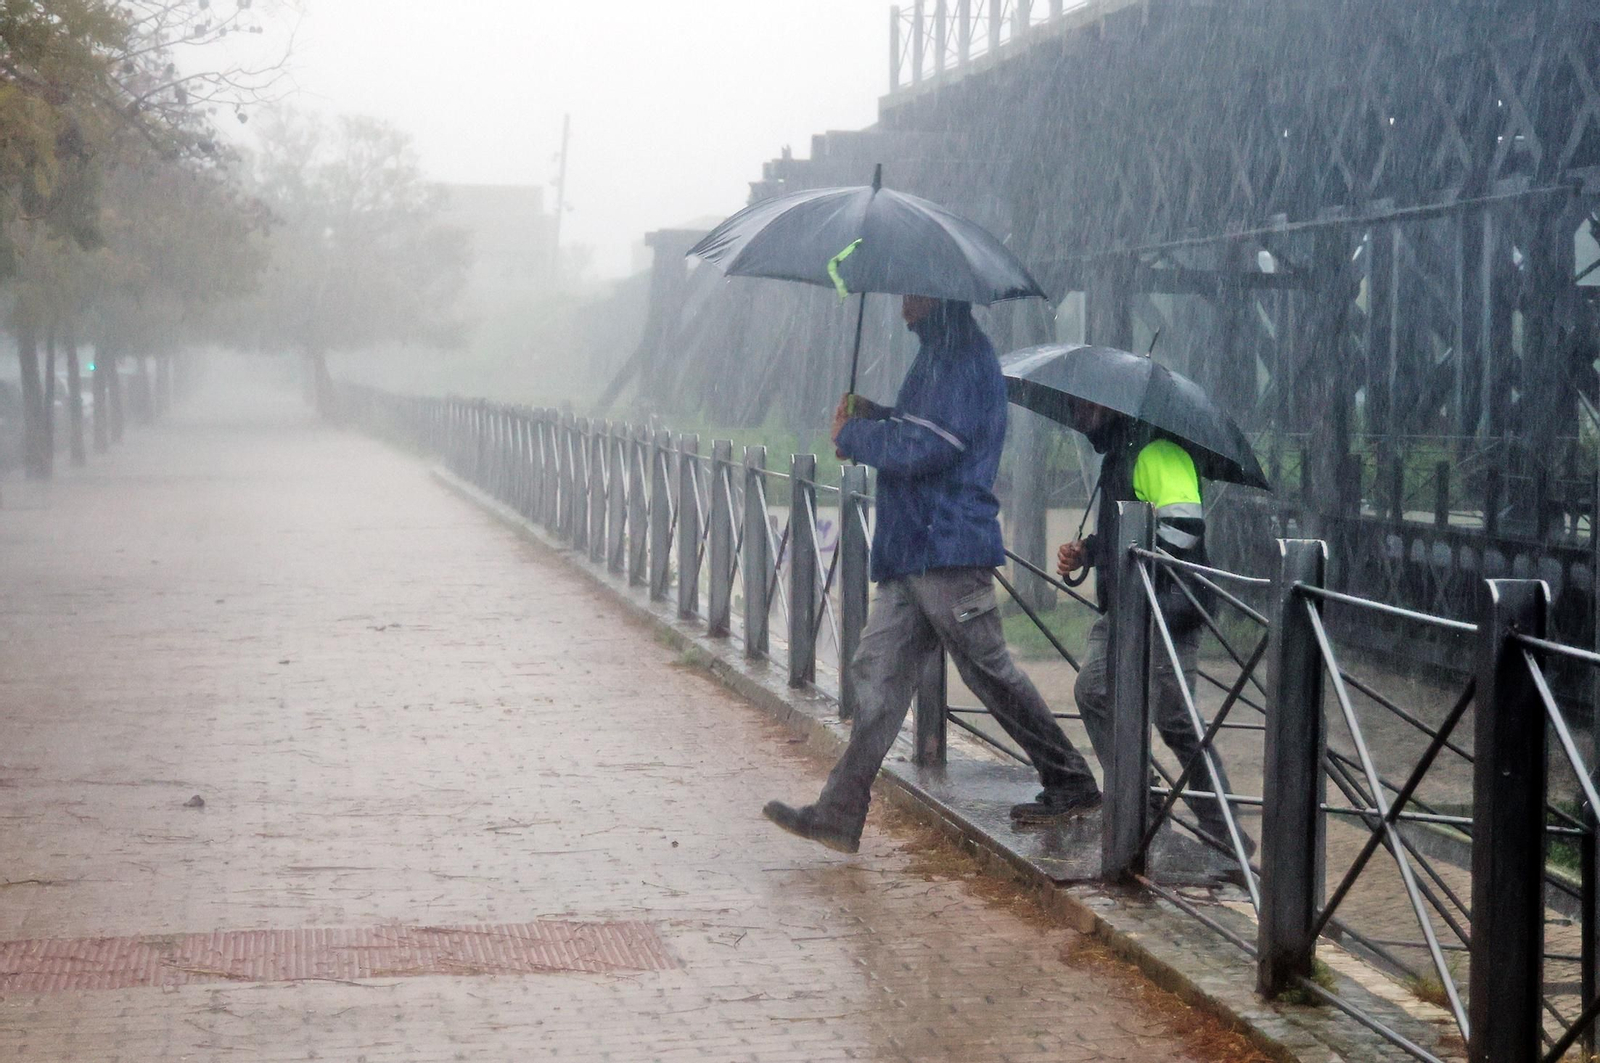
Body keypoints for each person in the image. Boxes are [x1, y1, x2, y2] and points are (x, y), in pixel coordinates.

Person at [762, 295, 1102, 854]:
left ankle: (1070, 779)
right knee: (879, 678)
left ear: (937, 296)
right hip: (916, 548)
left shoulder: (962, 361)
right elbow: (924, 428)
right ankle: (840, 811)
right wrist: (880, 416)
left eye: (910, 294)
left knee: (988, 671)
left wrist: (856, 437)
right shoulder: (943, 356)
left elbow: (930, 447)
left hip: (945, 546)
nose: (901, 305)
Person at [1056, 395, 1248, 855]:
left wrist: (1137, 563)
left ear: (1112, 406)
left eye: (1084, 410)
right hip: (1127, 605)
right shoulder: (1119, 456)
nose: (1079, 420)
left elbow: (1184, 528)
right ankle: (1139, 794)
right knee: (1093, 689)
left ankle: (1224, 832)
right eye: (1074, 412)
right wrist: (1089, 549)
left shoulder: (1158, 451)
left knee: (1174, 717)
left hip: (1169, 608)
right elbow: (1130, 528)